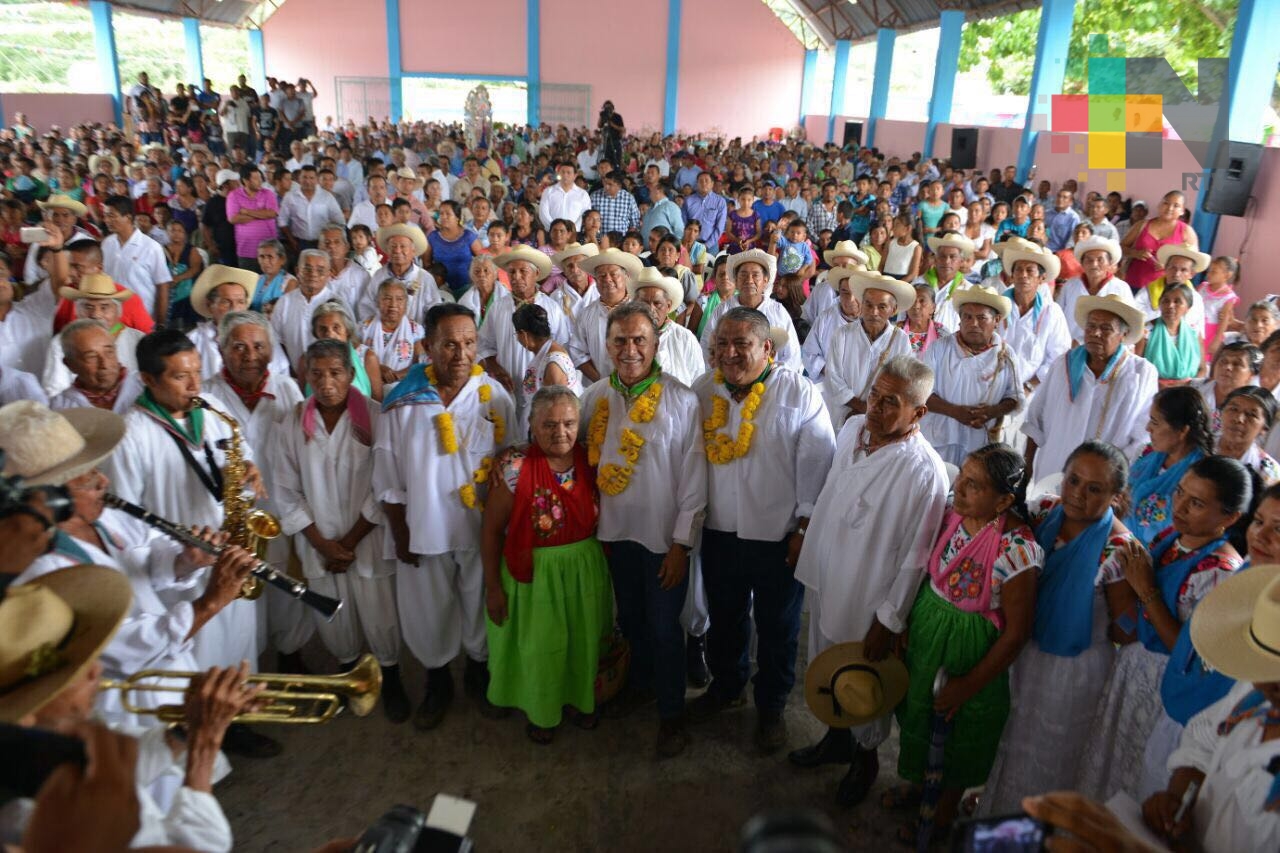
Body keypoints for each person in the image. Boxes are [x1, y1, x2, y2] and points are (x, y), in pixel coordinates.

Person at [103, 329, 279, 758]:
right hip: (181, 573)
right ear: (148, 379)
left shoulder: (215, 409)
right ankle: (197, 742)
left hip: (233, 551)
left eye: (198, 373)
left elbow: (237, 457)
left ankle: (235, 721)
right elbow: (125, 524)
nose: (195, 386)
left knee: (239, 645)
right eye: (181, 377)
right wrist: (180, 557)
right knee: (198, 657)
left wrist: (250, 472)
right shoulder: (131, 434)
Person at [0, 565, 253, 851]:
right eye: (75, 673)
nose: (97, 670)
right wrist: (205, 744)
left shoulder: (50, 737)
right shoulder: (36, 807)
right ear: (25, 711)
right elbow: (197, 847)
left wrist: (186, 728)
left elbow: (123, 761)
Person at [792, 355, 949, 805]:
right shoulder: (852, 429)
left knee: (863, 678)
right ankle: (835, 739)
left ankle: (865, 759)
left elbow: (916, 557)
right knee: (826, 661)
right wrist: (807, 534)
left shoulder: (924, 471)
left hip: (869, 591)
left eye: (890, 403)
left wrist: (890, 619)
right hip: (829, 571)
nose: (876, 407)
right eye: (875, 395)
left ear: (919, 413)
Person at [688, 307, 835, 752]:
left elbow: (818, 464)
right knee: (725, 618)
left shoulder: (799, 394)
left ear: (767, 348)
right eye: (722, 345)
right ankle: (727, 686)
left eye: (741, 344)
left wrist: (803, 528)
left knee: (778, 626)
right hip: (719, 531)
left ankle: (771, 707)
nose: (730, 354)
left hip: (778, 535)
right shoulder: (702, 390)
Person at [375, 304, 516, 730]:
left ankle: (479, 671)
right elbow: (387, 476)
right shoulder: (401, 402)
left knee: (479, 600)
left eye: (469, 343)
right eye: (449, 344)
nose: (461, 354)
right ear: (427, 347)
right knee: (427, 608)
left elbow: (511, 463)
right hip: (424, 527)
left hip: (481, 529)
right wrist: (401, 534)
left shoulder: (495, 396)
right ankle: (438, 680)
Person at [892, 444, 1041, 846]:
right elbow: (931, 574)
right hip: (929, 634)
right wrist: (909, 620)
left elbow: (1015, 635)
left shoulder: (1018, 551)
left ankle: (941, 815)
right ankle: (919, 786)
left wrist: (967, 684)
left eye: (973, 485)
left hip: (967, 656)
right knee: (921, 715)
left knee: (957, 734)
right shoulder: (955, 516)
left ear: (1005, 500)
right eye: (962, 478)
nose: (959, 488)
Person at [980, 442, 1140, 814]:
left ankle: (1027, 826)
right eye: (1073, 480)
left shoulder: (1119, 550)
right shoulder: (1045, 510)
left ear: (1116, 497)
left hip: (1071, 672)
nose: (1078, 494)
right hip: (1023, 651)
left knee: (1047, 756)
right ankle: (994, 811)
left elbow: (1126, 630)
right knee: (1007, 738)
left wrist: (1138, 595)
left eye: (1094, 489)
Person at [1077, 455, 1249, 801]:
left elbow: (1188, 652)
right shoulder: (1173, 538)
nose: (1180, 507)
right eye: (1180, 493)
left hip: (1164, 684)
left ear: (1229, 518)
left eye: (1196, 503)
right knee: (1110, 758)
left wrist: (1146, 590)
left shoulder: (1222, 572)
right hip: (1133, 666)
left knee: (1137, 768)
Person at [581, 302, 706, 757]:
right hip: (614, 537)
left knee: (664, 627)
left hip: (661, 541)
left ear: (656, 345)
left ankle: (672, 715)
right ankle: (640, 688)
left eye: (639, 340)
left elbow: (695, 479)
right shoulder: (596, 397)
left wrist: (680, 545)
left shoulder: (682, 399)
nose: (630, 349)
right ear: (607, 346)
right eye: (620, 341)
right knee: (630, 622)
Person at [272, 339, 410, 721]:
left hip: (364, 537)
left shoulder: (376, 416)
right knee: (333, 616)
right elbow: (286, 491)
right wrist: (322, 544)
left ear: (352, 374)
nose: (327, 382)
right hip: (319, 543)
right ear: (305, 376)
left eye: (336, 373)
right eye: (317, 374)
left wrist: (347, 543)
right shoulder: (292, 423)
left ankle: (391, 674)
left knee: (379, 613)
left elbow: (384, 484)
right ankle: (349, 672)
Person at [481, 385, 613, 743]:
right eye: (549, 425)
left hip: (584, 574)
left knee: (582, 644)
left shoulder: (591, 460)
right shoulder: (514, 467)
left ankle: (580, 702)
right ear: (532, 425)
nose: (561, 432)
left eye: (569, 423)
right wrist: (493, 587)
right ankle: (542, 713)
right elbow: (492, 532)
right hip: (533, 577)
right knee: (542, 648)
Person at [1140, 564, 1280, 852]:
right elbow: (1203, 740)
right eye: (1260, 665)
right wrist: (1177, 802)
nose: (1260, 682)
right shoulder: (1252, 694)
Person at [1023, 293, 1159, 484]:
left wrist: (1118, 475)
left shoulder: (1141, 373)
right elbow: (1036, 421)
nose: (1095, 333)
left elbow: (1142, 435)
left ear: (1123, 335)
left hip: (1104, 480)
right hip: (1053, 472)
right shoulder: (1063, 365)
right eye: (1091, 326)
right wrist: (1027, 469)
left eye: (1106, 329)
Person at [920, 286, 1024, 467]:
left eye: (982, 318)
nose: (973, 323)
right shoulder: (939, 348)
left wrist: (991, 412)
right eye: (967, 317)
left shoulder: (1006, 354)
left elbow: (1016, 398)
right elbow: (921, 393)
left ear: (996, 320)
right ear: (960, 320)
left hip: (981, 444)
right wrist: (954, 411)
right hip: (939, 440)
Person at [820, 271, 913, 429]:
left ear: (894, 309)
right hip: (842, 415)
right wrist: (860, 407)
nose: (873, 312)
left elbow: (901, 384)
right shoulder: (842, 334)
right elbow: (833, 377)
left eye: (882, 306)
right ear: (861, 304)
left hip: (880, 417)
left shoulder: (901, 340)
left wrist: (869, 411)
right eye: (868, 304)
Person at [1124, 387, 1216, 546]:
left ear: (1182, 430)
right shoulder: (1146, 453)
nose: (1148, 428)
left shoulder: (1202, 476)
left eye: (1155, 422)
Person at [699, 249, 802, 373]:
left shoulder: (778, 312)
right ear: (735, 280)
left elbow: (792, 355)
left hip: (771, 381)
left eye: (755, 275)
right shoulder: (722, 310)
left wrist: (773, 378)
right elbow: (707, 347)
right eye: (743, 275)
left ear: (765, 280)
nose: (749, 280)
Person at [43, 273, 143, 400]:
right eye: (88, 307)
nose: (96, 315)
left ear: (118, 312)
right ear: (77, 312)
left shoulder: (139, 340)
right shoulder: (62, 342)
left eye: (104, 307)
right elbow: (54, 390)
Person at [571, 247, 643, 383]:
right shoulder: (586, 314)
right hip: (598, 388)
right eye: (602, 276)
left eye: (613, 274)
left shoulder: (640, 312)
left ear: (626, 277)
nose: (607, 279)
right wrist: (602, 382)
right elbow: (577, 352)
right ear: (596, 281)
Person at [514, 302, 581, 437]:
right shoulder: (546, 353)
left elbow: (557, 412)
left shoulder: (553, 365)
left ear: (524, 334)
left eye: (516, 334)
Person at [101, 195, 172, 321]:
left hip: (142, 318)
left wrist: (160, 323)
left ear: (128, 217)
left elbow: (163, 286)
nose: (106, 220)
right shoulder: (107, 244)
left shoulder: (151, 247)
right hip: (113, 317)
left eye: (111, 216)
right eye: (105, 215)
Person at [629, 266, 704, 386]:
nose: (650, 309)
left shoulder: (684, 338)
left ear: (668, 306)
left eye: (657, 303)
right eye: (644, 303)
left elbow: (699, 382)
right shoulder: (626, 337)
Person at [1121, 190, 1198, 293]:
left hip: (1165, 289)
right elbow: (1121, 247)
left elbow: (1193, 263)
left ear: (1182, 210)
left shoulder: (1186, 231)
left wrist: (1169, 265)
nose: (1170, 208)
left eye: (1176, 205)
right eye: (1166, 203)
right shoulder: (1142, 225)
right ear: (1159, 205)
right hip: (1134, 283)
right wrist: (1135, 253)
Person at [1058, 236, 1131, 343]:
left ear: (1109, 263)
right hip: (1070, 346)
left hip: (1107, 348)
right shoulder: (1070, 285)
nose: (1094, 264)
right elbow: (1058, 317)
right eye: (1089, 260)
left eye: (1100, 259)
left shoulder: (1121, 288)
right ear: (1082, 263)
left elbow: (1128, 323)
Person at [360, 279, 425, 389]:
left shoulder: (415, 331)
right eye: (387, 299)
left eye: (399, 299)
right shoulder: (364, 329)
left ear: (406, 304)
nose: (393, 304)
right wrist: (377, 368)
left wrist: (395, 376)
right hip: (370, 387)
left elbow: (420, 363)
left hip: (403, 389)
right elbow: (356, 361)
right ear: (377, 302)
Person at [1137, 282, 1202, 385]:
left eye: (1177, 301)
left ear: (1187, 308)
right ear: (1160, 303)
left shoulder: (1194, 332)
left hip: (1187, 391)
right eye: (1166, 301)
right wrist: (1159, 385)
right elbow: (1136, 367)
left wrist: (1187, 386)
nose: (1170, 305)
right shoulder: (1146, 331)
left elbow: (1202, 369)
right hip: (1154, 389)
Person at [310, 299, 377, 398]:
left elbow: (377, 405)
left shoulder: (367, 358)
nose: (330, 334)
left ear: (347, 330)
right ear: (316, 333)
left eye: (336, 327)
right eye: (322, 329)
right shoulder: (307, 360)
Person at [1216, 386, 1280, 484]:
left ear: (1264, 428)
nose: (1239, 419)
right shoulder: (1196, 445)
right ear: (1221, 412)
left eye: (1251, 415)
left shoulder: (1269, 474)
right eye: (1233, 409)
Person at [1195, 340, 1260, 433]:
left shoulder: (1255, 406)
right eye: (1223, 361)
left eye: (1237, 364)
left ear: (1251, 375)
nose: (1227, 367)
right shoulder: (1193, 389)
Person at [225, 164, 279, 272]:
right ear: (245, 181)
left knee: (271, 282)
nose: (260, 181)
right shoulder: (234, 195)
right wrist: (262, 214)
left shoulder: (268, 194)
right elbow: (233, 218)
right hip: (246, 250)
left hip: (269, 249)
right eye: (255, 178)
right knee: (249, 284)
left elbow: (272, 213)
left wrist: (247, 212)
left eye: (260, 178)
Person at [423, 201, 482, 299]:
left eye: (448, 214)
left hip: (466, 289)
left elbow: (483, 259)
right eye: (441, 213)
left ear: (457, 218)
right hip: (440, 290)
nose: (443, 217)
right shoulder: (433, 237)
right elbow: (426, 264)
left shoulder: (468, 236)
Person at [1199, 256, 1240, 363]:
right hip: (1196, 327)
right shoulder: (1202, 287)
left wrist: (1217, 340)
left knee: (1202, 358)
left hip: (1210, 332)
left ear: (1227, 275)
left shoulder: (1228, 297)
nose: (1209, 274)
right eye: (1209, 270)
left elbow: (1224, 321)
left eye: (1214, 271)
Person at [547, 242, 599, 325]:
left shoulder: (600, 291)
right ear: (564, 271)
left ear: (587, 266)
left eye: (579, 264)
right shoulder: (556, 297)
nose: (574, 270)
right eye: (570, 266)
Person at [538, 160, 592, 231]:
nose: (565, 175)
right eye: (562, 172)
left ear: (575, 176)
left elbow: (585, 215)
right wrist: (556, 228)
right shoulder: (548, 191)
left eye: (568, 173)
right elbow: (543, 213)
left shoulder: (583, 194)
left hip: (574, 234)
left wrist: (571, 230)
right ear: (559, 173)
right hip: (552, 233)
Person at [250, 239, 296, 312]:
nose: (265, 261)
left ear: (282, 259)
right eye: (262, 257)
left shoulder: (290, 282)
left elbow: (287, 311)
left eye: (270, 257)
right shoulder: (257, 279)